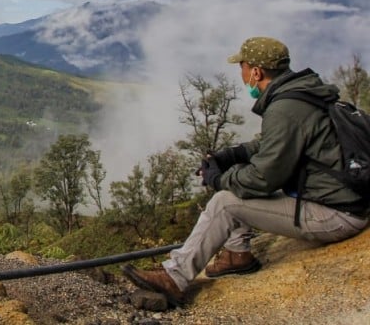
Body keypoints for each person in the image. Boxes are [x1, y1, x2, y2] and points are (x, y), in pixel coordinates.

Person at [122, 36, 369, 307]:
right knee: (239, 177)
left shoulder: (284, 109)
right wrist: (232, 155)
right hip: (345, 201)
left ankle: (175, 277)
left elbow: (263, 178)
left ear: (256, 72)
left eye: (242, 66)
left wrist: (218, 179)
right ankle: (237, 255)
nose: (241, 73)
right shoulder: (303, 94)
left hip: (337, 215)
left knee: (225, 202)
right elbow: (275, 144)